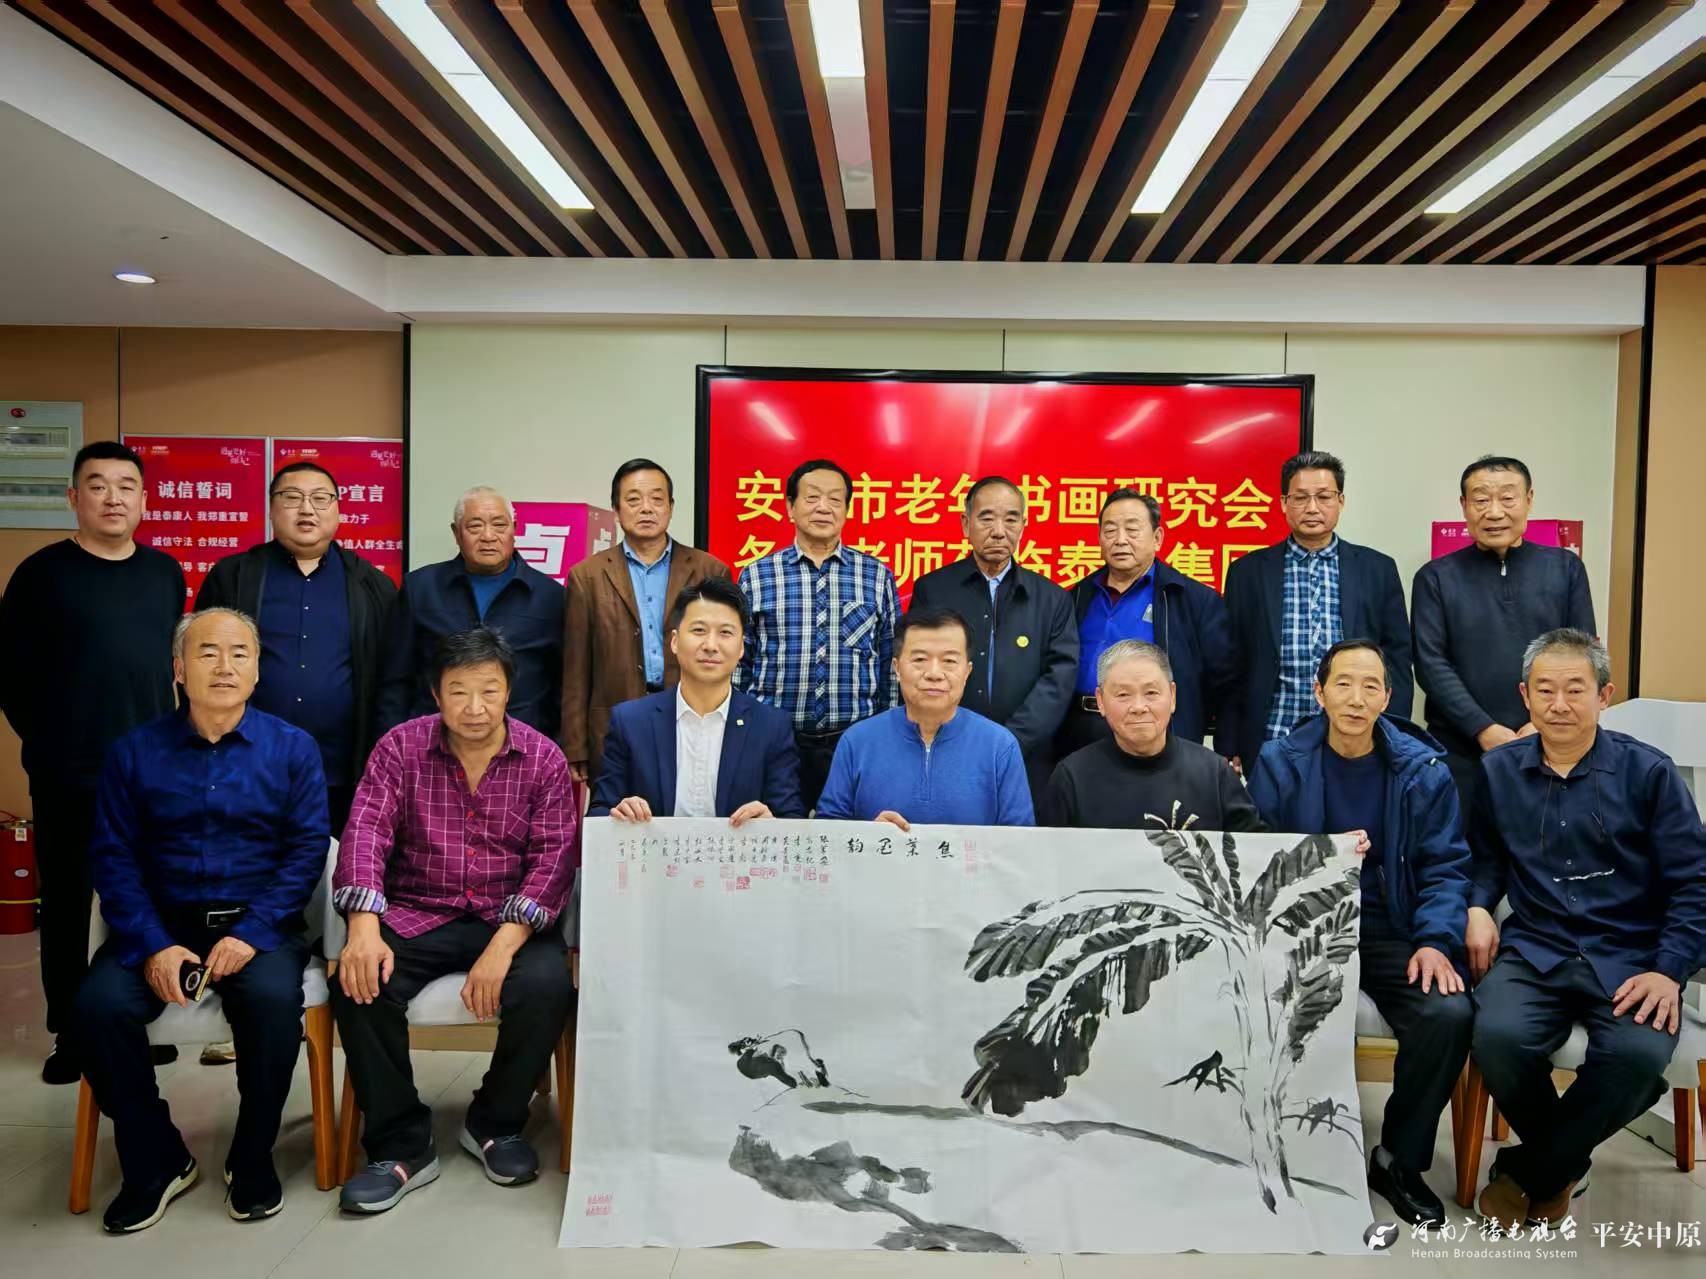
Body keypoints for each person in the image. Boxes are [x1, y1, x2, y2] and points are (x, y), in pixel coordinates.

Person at [75, 608, 330, 1232]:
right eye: (207, 652)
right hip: (159, 926)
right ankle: (156, 1157)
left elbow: (306, 853)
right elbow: (112, 857)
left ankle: (251, 1156)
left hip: (257, 926)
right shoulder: (134, 753)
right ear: (178, 669)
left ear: (257, 669)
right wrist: (154, 945)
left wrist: (251, 933)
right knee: (96, 1009)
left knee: (272, 1003)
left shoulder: (292, 749)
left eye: (240, 653)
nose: (224, 666)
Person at [1466, 629, 1706, 1233]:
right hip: (1537, 947)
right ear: (1524, 695)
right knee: (1495, 1036)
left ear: (1604, 695)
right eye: (1544, 689)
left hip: (1631, 954)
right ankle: (1565, 1162)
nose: (1559, 704)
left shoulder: (1648, 773)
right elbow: (1486, 861)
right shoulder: (1498, 772)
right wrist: (1476, 907)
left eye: (1576, 689)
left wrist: (1669, 970)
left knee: (1638, 1054)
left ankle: (1535, 1170)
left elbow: (1695, 883)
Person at [333, 627, 577, 1214]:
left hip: (506, 917)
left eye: (489, 691)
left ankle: (496, 1122)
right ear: (436, 694)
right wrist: (362, 926)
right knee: (360, 984)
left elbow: (554, 860)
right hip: (419, 910)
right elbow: (365, 833)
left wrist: (502, 947)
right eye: (459, 691)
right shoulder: (399, 748)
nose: (475, 707)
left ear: (508, 692)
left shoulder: (543, 757)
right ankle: (400, 1143)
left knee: (547, 985)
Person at [1247, 639, 1471, 1227]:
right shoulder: (1280, 761)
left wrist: (1435, 941)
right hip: (1307, 929)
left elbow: (1447, 867)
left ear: (1388, 697)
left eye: (1371, 686)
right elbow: (1259, 856)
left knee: (1447, 1013)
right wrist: (1321, 859)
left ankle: (1398, 1160)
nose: (1356, 698)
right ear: (1319, 693)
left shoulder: (1423, 770)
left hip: (1394, 929)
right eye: (1343, 684)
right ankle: (1284, 1150)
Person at [0, 441, 184, 1085]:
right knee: (70, 902)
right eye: (98, 485)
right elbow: (11, 675)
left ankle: (131, 1025)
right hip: (68, 772)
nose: (113, 498)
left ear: (144, 500)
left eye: (126, 486)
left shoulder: (164, 573)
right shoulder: (41, 574)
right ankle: (71, 1034)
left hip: (150, 773)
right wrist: (53, 741)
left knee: (142, 898)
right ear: (74, 498)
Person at [197, 460, 397, 834]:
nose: (307, 509)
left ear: (338, 510)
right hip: (245, 764)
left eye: (320, 498)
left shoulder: (372, 585)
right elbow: (198, 665)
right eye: (292, 497)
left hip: (341, 771)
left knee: (333, 865)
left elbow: (391, 679)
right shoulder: (233, 576)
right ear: (272, 509)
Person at [1411, 456, 1595, 801]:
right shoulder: (1435, 577)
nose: (1494, 512)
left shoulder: (1565, 568)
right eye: (1481, 500)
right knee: (1463, 834)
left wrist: (1539, 723)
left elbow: (1582, 656)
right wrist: (1482, 728)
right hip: (1461, 749)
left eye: (1508, 498)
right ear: (1464, 506)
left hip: (1550, 741)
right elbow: (1430, 663)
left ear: (1529, 500)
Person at [1222, 451, 1412, 773]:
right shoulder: (1247, 572)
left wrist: (1394, 735)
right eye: (1300, 498)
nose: (1312, 508)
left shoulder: (1377, 569)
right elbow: (1232, 662)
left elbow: (1397, 660)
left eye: (1324, 497)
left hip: (1355, 736)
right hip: (1272, 735)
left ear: (1341, 500)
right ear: (1284, 503)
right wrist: (1230, 740)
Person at [737, 459, 900, 811]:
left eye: (835, 499)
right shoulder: (757, 576)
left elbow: (891, 662)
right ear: (790, 507)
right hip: (776, 742)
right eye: (812, 497)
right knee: (777, 833)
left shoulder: (875, 576)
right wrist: (744, 731)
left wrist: (884, 734)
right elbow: (739, 661)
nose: (824, 507)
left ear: (847, 510)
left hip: (854, 741)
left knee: (854, 835)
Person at [908, 475, 1077, 806]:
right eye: (987, 518)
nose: (999, 530)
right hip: (946, 750)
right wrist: (957, 737)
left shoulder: (1052, 599)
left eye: (1011, 519)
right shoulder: (933, 590)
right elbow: (918, 666)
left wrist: (1011, 742)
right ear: (965, 524)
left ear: (1024, 526)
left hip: (1027, 757)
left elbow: (1059, 679)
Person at [563, 459, 730, 786]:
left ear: (671, 507)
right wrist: (575, 744)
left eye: (657, 499)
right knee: (620, 810)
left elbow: (725, 653)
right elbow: (576, 669)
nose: (646, 508)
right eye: (633, 499)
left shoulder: (710, 570)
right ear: (616, 509)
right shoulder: (587, 576)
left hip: (693, 716)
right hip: (613, 722)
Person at [590, 578, 803, 822]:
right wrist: (618, 813)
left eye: (725, 633)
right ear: (674, 641)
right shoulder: (630, 722)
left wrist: (771, 823)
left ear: (741, 648)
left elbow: (791, 818)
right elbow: (599, 812)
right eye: (699, 630)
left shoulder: (771, 727)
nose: (711, 645)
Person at [1057, 489, 1236, 761]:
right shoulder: (1077, 596)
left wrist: (1227, 745)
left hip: (1155, 734)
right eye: (1110, 530)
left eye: (1132, 529)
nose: (1120, 540)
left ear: (1157, 538)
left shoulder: (1192, 599)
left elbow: (1224, 682)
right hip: (1080, 731)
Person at [815, 607, 1032, 828]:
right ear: (897, 668)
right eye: (920, 659)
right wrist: (870, 837)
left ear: (967, 672)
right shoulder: (857, 741)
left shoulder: (1000, 746)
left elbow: (1022, 838)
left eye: (949, 661)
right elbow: (827, 831)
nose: (934, 674)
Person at [376, 485, 564, 738]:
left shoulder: (550, 596)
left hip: (522, 745)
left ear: (514, 529)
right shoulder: (420, 589)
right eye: (475, 526)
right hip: (432, 743)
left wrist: (556, 747)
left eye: (499, 525)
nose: (488, 536)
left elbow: (563, 686)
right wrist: (394, 744)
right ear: (456, 533)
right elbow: (394, 683)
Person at [1043, 640, 1262, 832]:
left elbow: (1253, 852)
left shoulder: (1214, 773)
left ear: (1172, 696)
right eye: (1123, 694)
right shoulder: (1071, 778)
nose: (1139, 707)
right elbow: (1049, 858)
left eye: (1151, 693)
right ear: (1100, 701)